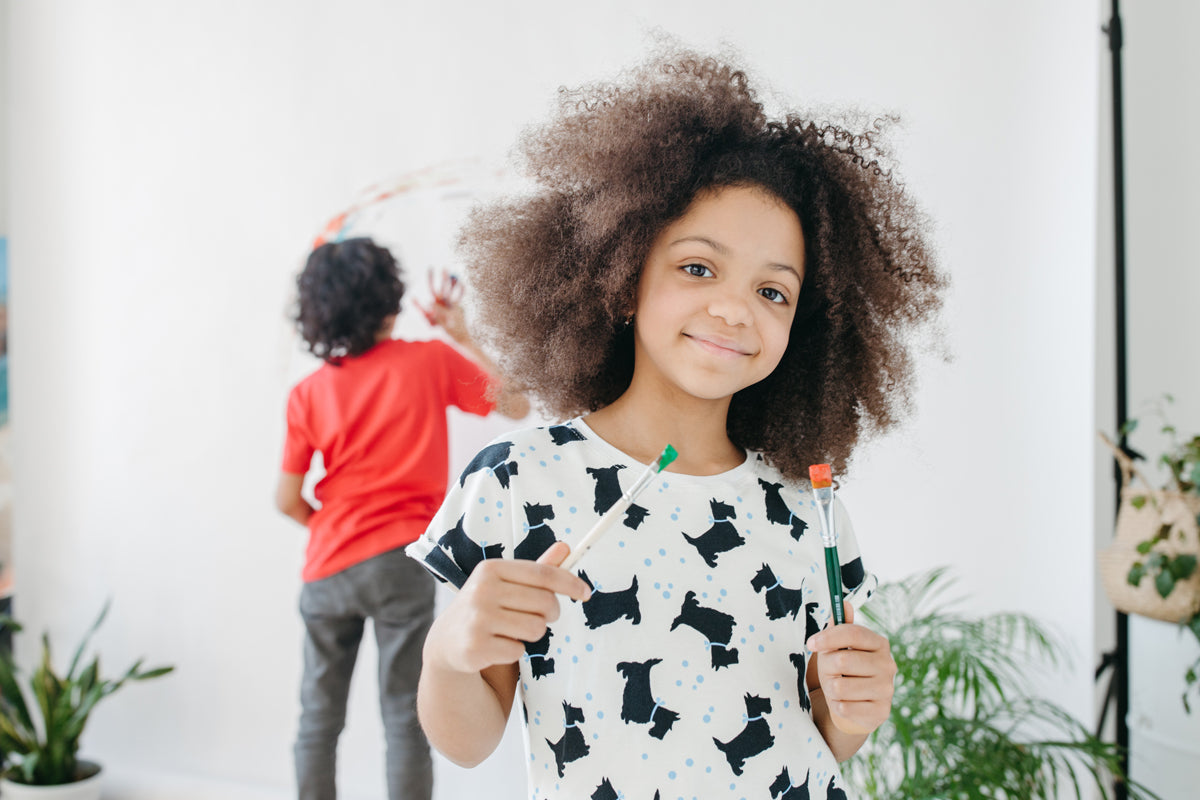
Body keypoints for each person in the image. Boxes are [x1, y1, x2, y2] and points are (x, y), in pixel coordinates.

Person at [406, 49, 944, 799]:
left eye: (773, 291)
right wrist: (448, 651)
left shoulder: (809, 512)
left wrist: (855, 708)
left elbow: (818, 743)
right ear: (624, 274)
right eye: (698, 268)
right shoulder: (520, 482)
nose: (734, 309)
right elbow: (465, 744)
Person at [276, 237, 528, 800]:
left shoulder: (308, 393)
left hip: (326, 567)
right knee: (405, 719)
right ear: (389, 300)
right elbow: (515, 403)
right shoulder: (428, 361)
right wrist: (460, 333)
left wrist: (327, 526)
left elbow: (286, 499)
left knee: (318, 719)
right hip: (399, 565)